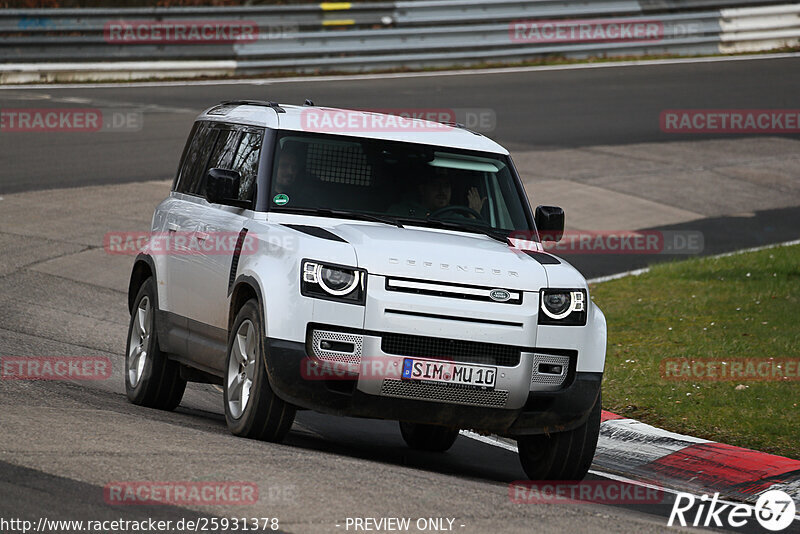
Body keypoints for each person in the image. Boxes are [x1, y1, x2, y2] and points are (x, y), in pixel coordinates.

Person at [388, 171, 486, 219]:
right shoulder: (399, 212)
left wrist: (473, 215)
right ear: (423, 189)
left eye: (446, 186)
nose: (441, 190)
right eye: (435, 185)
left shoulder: (457, 219)